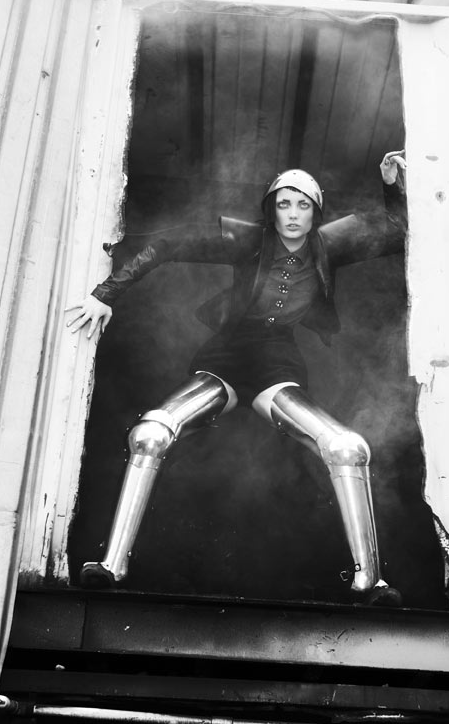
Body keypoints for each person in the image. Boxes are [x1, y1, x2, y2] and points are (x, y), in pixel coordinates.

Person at [67, 151, 407, 605]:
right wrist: (104, 294)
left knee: (347, 448)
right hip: (226, 358)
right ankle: (112, 565)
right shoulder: (246, 240)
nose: (293, 214)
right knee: (151, 433)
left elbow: (399, 232)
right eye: (284, 204)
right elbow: (166, 245)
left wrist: (391, 186)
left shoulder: (331, 245)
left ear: (316, 212)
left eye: (303, 205)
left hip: (277, 366)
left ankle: (371, 582)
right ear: (271, 209)